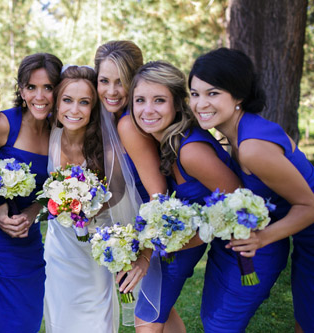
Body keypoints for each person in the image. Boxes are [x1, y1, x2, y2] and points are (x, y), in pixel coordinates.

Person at [189, 47, 314, 333]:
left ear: (239, 96)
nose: (200, 104)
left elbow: (310, 205)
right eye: (195, 94)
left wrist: (262, 238)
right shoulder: (236, 135)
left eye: (213, 93)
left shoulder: (252, 148)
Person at [130, 61, 241, 332]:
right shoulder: (167, 141)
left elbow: (240, 203)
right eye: (140, 100)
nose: (147, 110)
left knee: (147, 321)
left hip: (200, 246)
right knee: (157, 315)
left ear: (178, 104)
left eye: (159, 100)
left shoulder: (190, 151)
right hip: (180, 243)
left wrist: (185, 240)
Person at [0, 53, 63, 333]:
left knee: (31, 315)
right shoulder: (4, 124)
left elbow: (53, 187)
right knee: (11, 320)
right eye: (32, 87)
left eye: (48, 87)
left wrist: (33, 211)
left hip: (29, 235)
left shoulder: (58, 131)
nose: (40, 96)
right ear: (21, 90)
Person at [94, 40, 167, 327]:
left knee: (147, 318)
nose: (111, 91)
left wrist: (145, 257)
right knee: (160, 312)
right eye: (104, 81)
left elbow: (157, 196)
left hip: (160, 229)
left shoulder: (128, 124)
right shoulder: (109, 120)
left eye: (121, 82)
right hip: (142, 229)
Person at [43, 65, 119, 332]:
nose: (74, 110)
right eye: (67, 100)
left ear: (93, 108)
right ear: (56, 103)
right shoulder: (48, 138)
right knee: (60, 316)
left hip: (95, 248)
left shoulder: (105, 146)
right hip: (59, 249)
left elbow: (119, 193)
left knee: (96, 319)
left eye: (84, 102)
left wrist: (89, 205)